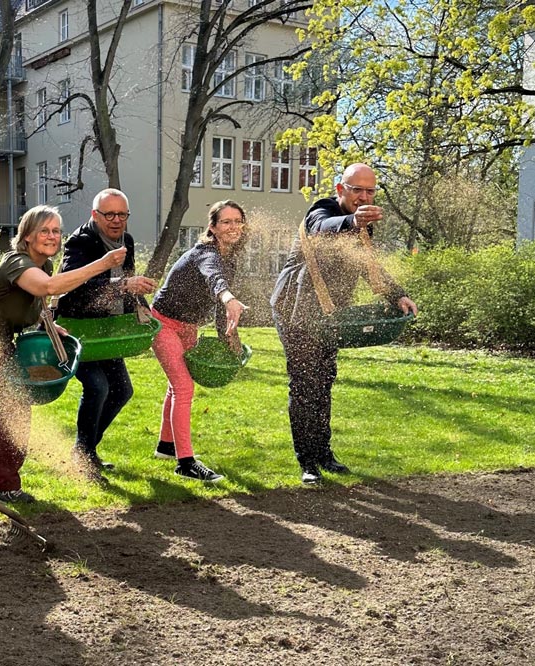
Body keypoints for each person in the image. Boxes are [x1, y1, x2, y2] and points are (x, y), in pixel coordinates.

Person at [0, 205, 126, 503]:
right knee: (17, 403)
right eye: (44, 230)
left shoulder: (41, 265)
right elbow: (48, 287)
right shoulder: (17, 262)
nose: (52, 236)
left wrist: (47, 322)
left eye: (56, 231)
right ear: (27, 235)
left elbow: (32, 300)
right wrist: (101, 264)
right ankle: (5, 485)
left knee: (12, 401)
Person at [270, 163, 418, 485]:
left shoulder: (363, 224)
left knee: (323, 382)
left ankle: (324, 454)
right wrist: (351, 220)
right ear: (341, 190)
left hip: (327, 315)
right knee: (305, 385)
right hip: (295, 311)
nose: (363, 197)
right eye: (357, 190)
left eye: (370, 191)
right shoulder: (322, 211)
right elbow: (322, 227)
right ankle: (307, 462)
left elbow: (368, 266)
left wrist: (397, 296)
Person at [55, 189, 158, 483]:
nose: (116, 220)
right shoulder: (80, 242)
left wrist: (142, 308)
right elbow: (77, 286)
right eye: (109, 214)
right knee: (98, 387)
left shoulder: (126, 241)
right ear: (94, 215)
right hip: (77, 326)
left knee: (122, 390)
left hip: (108, 329)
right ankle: (84, 457)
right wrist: (126, 283)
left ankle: (84, 450)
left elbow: (128, 281)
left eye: (122, 214)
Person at [149, 200, 249, 484]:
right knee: (183, 386)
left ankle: (166, 447)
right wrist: (229, 298)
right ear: (213, 227)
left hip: (188, 326)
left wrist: (228, 336)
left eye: (237, 221)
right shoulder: (205, 252)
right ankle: (186, 463)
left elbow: (219, 301)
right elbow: (214, 279)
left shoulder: (231, 257)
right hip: (163, 323)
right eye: (226, 222)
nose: (233, 227)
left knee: (176, 385)